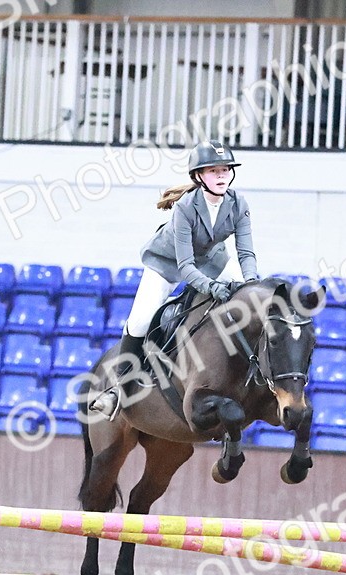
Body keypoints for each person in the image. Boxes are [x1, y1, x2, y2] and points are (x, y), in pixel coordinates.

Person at [90, 140, 260, 419]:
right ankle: (117, 390)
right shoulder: (185, 207)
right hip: (167, 263)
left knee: (251, 301)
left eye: (225, 170)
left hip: (212, 260)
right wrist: (210, 287)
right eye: (213, 170)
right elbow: (186, 266)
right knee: (140, 321)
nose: (221, 175)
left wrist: (250, 284)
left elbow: (246, 253)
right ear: (199, 176)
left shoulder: (238, 203)